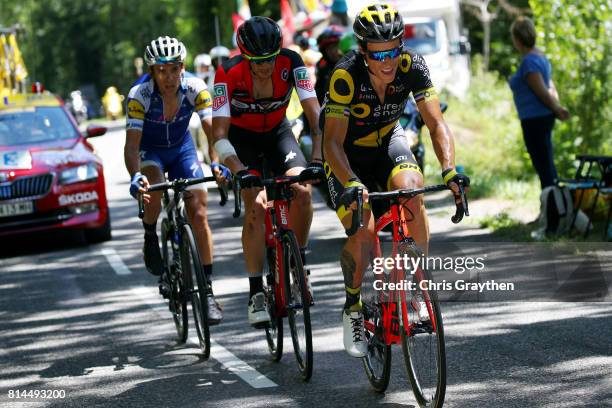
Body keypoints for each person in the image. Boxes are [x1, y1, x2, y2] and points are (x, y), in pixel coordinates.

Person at [321, 4, 469, 357]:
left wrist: (449, 170)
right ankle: (353, 306)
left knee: (412, 194)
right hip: (347, 155)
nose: (387, 61)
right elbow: (330, 143)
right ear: (362, 50)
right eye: (378, 54)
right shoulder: (345, 75)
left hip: (389, 140)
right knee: (365, 231)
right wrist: (353, 184)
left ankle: (416, 290)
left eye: (394, 50)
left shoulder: (413, 65)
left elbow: (436, 124)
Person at [211, 17, 323, 327]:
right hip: (241, 141)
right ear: (245, 56)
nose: (265, 67)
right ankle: (255, 292)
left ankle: (299, 266)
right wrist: (237, 169)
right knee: (256, 205)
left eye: (270, 59)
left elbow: (315, 114)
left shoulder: (293, 61)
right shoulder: (227, 72)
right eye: (257, 62)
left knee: (301, 189)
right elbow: (219, 134)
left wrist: (317, 157)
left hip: (278, 134)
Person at [124, 36, 229, 324]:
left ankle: (207, 291)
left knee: (199, 211)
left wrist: (217, 164)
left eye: (173, 69)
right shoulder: (139, 95)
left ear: (182, 67)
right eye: (161, 71)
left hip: (182, 149)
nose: (168, 77)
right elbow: (132, 146)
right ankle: (149, 233)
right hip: (151, 151)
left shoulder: (196, 87)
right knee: (154, 184)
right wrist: (135, 176)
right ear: (152, 71)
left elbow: (212, 133)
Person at [509, 16, 569, 190]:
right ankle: (552, 210)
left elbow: (542, 91)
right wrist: (556, 105)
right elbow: (550, 85)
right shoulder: (539, 56)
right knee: (546, 164)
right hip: (541, 118)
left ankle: (555, 212)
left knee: (544, 167)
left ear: (518, 38)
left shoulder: (529, 61)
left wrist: (557, 108)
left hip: (535, 120)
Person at [315, 25, 344, 105]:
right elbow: (319, 92)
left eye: (335, 46)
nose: (333, 51)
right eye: (329, 48)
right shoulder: (322, 67)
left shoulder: (353, 63)